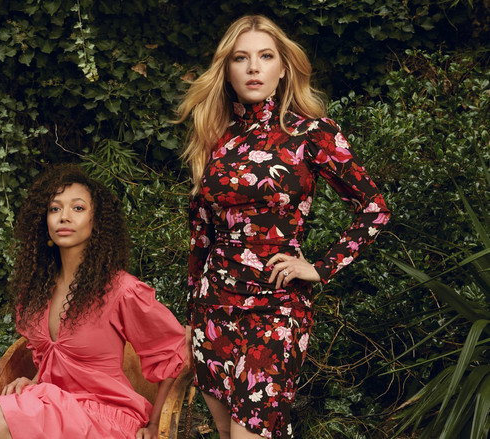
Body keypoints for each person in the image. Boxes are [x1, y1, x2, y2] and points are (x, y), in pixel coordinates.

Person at [174, 15, 391, 439]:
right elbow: (201, 235)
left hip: (276, 306)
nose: (254, 68)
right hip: (214, 307)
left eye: (266, 56)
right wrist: (190, 316)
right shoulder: (215, 138)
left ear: (284, 68)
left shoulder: (311, 133)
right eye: (241, 58)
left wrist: (320, 268)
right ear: (227, 70)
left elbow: (374, 208)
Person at [0, 164, 189, 439]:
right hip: (52, 404)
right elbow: (53, 360)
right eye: (54, 209)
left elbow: (174, 352)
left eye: (78, 208)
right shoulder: (37, 291)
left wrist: (156, 426)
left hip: (104, 414)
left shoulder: (121, 290)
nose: (64, 217)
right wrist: (34, 381)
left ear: (96, 221)